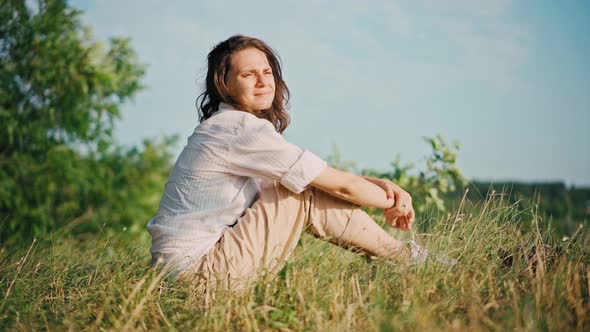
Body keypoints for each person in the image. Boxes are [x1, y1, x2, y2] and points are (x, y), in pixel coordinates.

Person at [147, 34, 434, 291]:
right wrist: (394, 201)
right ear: (225, 84)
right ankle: (412, 260)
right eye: (249, 74)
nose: (263, 81)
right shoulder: (239, 130)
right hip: (199, 275)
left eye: (267, 72)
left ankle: (409, 259)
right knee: (300, 189)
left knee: (297, 181)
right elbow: (343, 187)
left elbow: (326, 176)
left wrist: (384, 186)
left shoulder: (228, 126)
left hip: (181, 273)